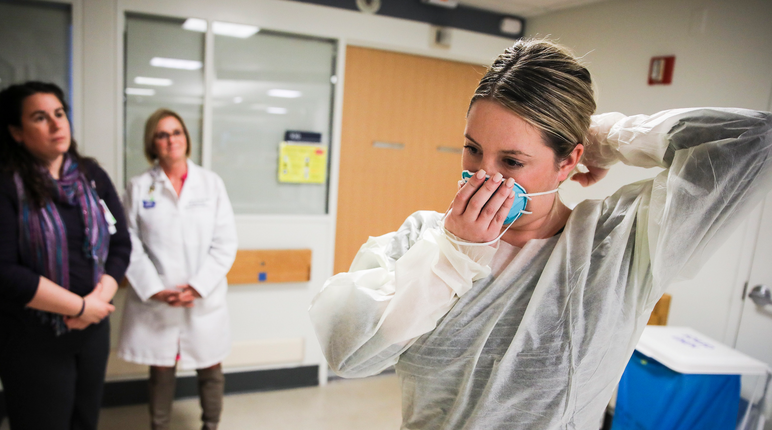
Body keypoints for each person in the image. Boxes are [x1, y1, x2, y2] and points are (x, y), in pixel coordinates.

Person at [309, 39, 772, 429]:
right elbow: (348, 353)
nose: (482, 176)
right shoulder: (424, 240)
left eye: (511, 162)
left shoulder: (615, 246)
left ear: (568, 162)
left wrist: (607, 138)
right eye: (472, 150)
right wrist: (451, 257)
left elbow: (751, 140)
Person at [0, 81, 131, 429]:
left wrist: (96, 302)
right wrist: (78, 307)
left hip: (92, 328)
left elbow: (120, 242)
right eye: (40, 117)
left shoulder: (91, 176)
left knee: (84, 421)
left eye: (59, 114)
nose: (56, 124)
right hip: (29, 335)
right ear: (17, 132)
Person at [118, 108, 238, 430]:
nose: (171, 140)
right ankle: (160, 427)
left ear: (186, 139)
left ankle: (210, 425)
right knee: (160, 370)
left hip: (202, 296)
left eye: (177, 133)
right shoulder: (139, 186)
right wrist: (155, 289)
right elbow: (128, 243)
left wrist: (197, 286)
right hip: (160, 298)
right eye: (162, 134)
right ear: (151, 143)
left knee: (210, 367)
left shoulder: (210, 184)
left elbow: (225, 243)